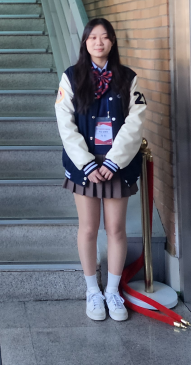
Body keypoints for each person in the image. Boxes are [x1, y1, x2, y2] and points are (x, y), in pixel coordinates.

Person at [54, 18, 147, 322]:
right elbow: (65, 124)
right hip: (85, 166)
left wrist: (113, 161)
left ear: (112, 42)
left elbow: (135, 123)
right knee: (88, 228)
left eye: (104, 37)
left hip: (117, 166)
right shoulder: (71, 77)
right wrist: (87, 163)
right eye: (93, 37)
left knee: (116, 229)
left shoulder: (128, 78)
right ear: (85, 42)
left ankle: (113, 292)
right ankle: (92, 291)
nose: (98, 42)